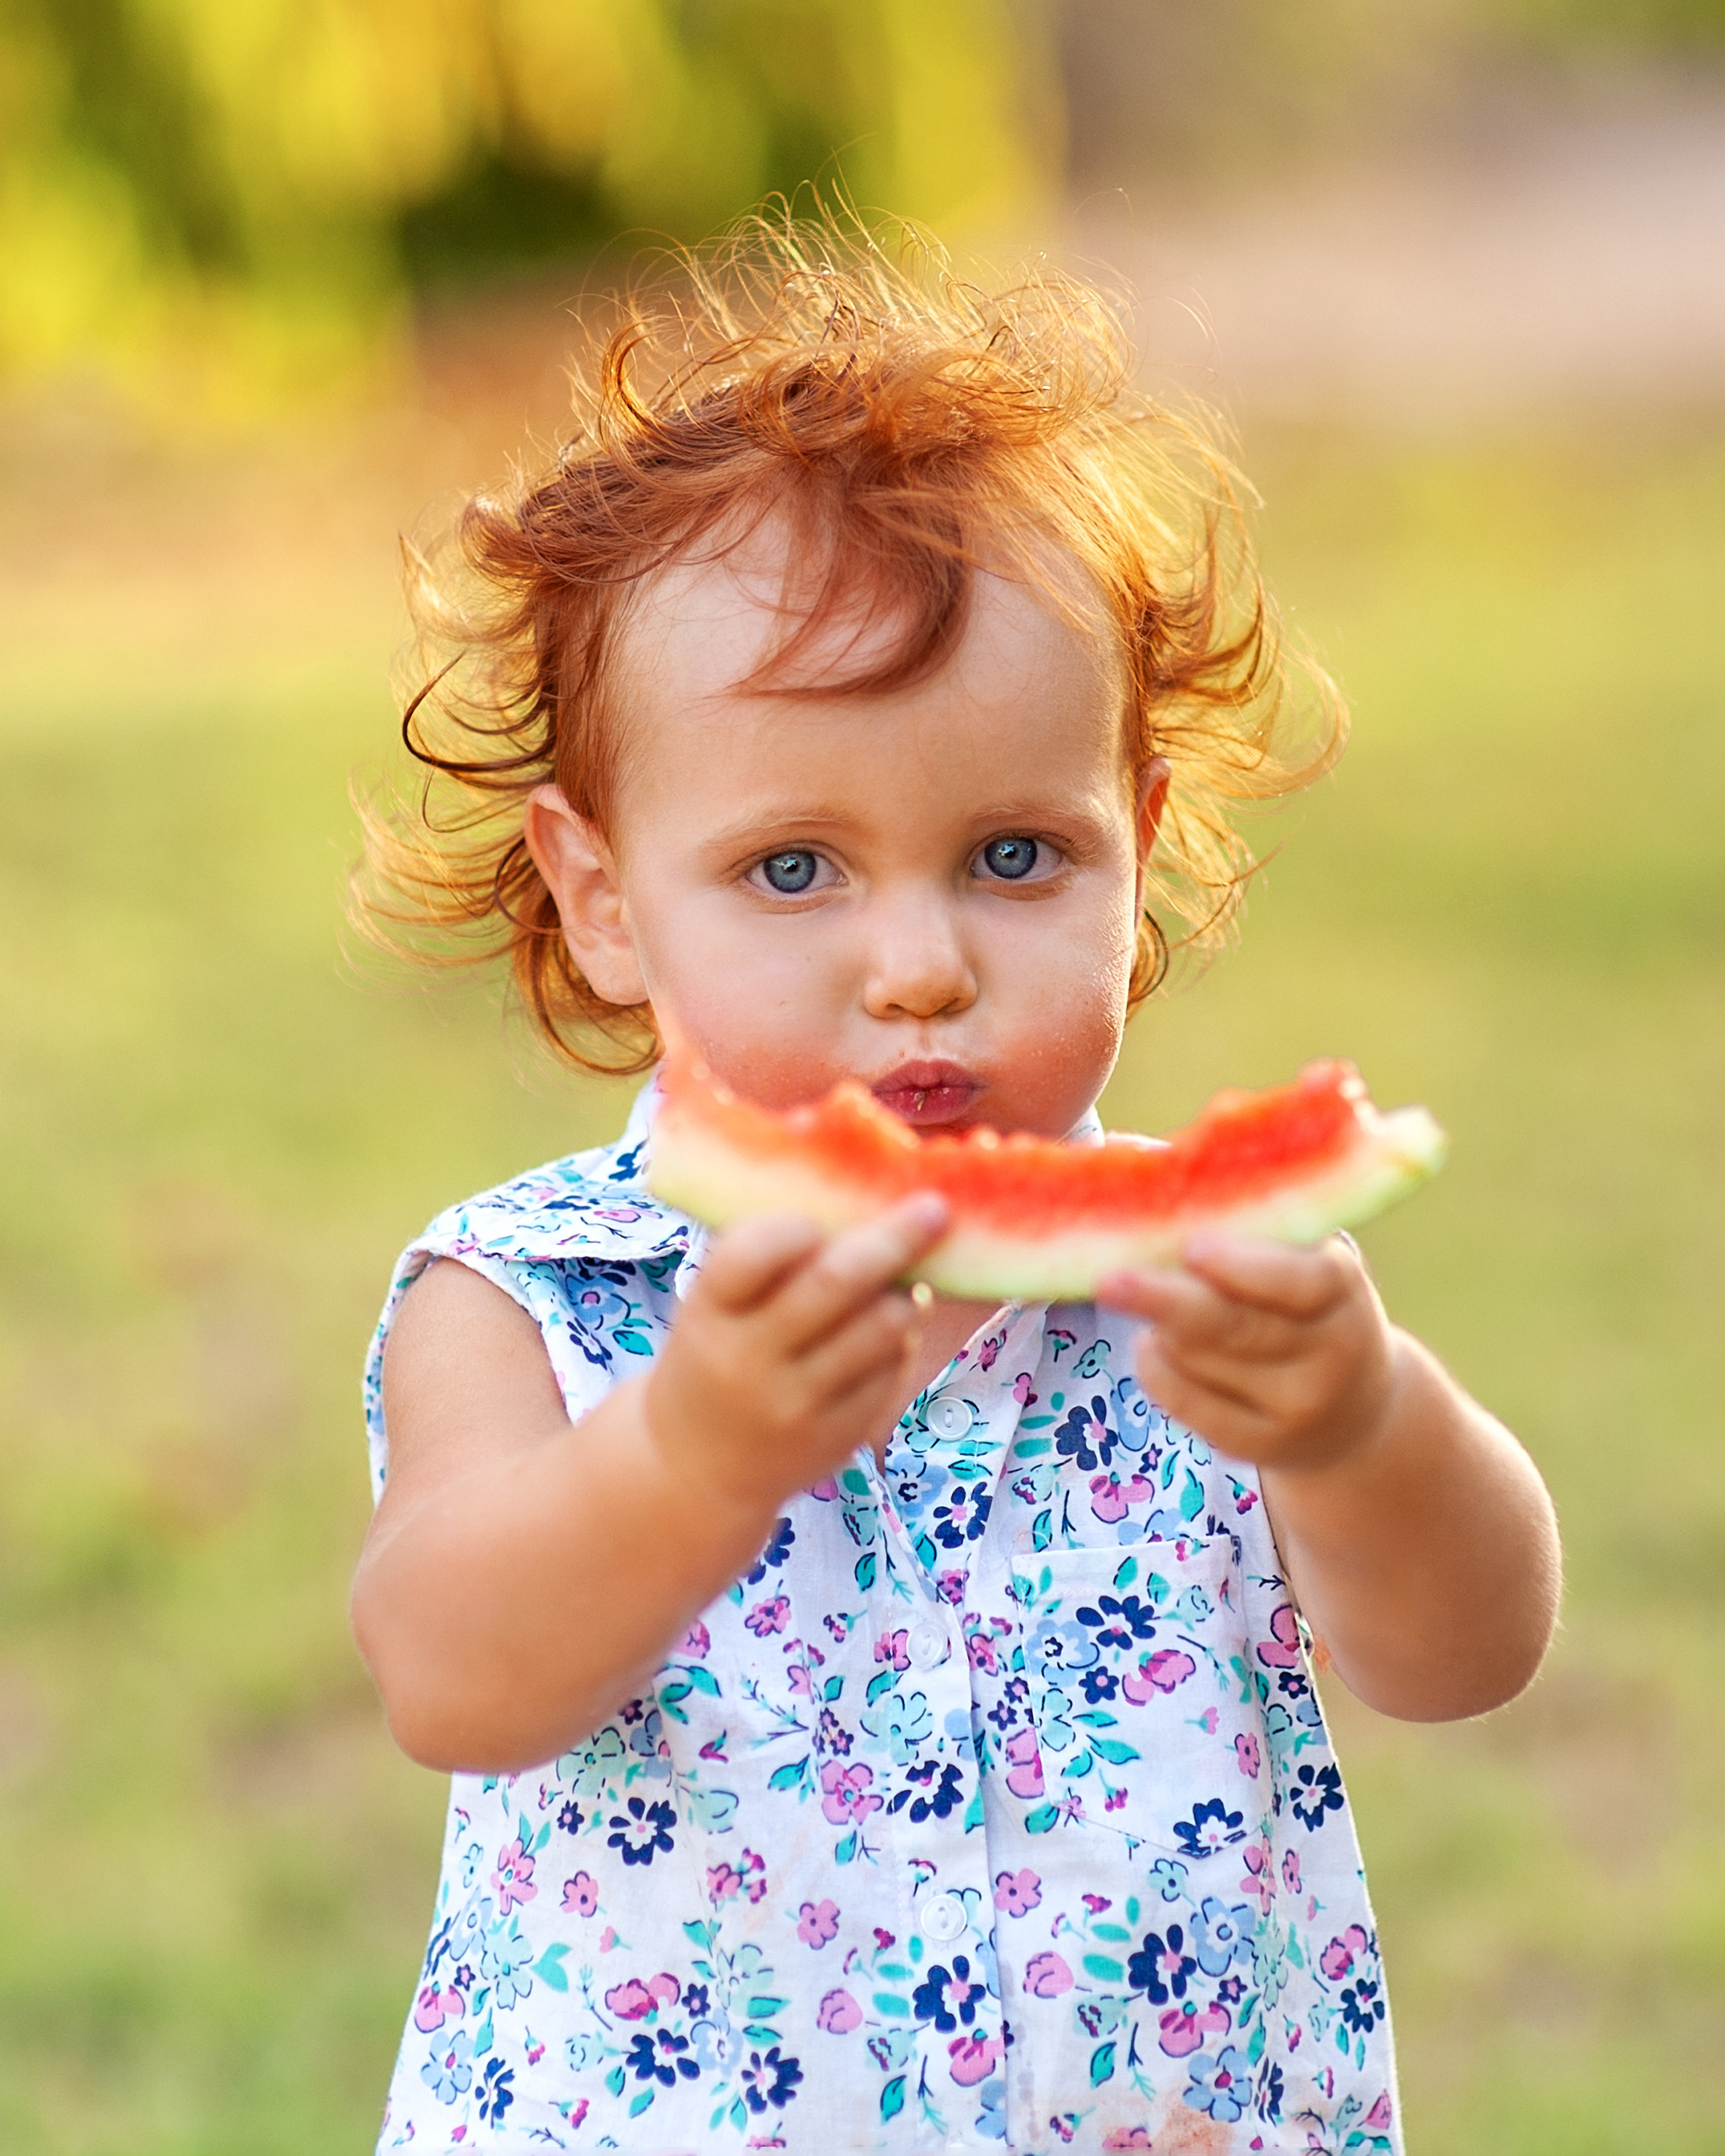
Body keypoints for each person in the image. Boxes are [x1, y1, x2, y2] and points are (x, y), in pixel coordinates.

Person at [350, 213, 1560, 2155]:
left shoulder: (1213, 1284)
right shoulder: (524, 1297)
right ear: (605, 902)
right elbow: (450, 1675)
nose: (917, 962)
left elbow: (1470, 1653)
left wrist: (1361, 1421)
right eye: (794, 870)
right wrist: (689, 1455)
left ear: (1138, 847)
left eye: (1014, 856)